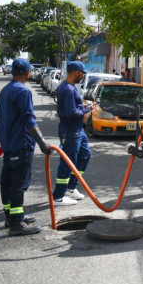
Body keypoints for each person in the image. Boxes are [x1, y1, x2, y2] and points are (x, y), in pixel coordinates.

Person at [0, 58, 52, 236]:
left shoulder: (5, 91)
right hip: (21, 145)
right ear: (28, 73)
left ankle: (11, 216)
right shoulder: (23, 92)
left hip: (9, 145)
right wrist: (43, 143)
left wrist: (6, 138)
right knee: (19, 184)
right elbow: (29, 120)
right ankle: (16, 224)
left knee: (8, 181)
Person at [52, 61, 97, 206]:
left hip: (78, 130)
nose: (83, 76)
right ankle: (58, 196)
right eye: (82, 73)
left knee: (85, 156)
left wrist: (84, 106)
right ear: (76, 72)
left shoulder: (68, 87)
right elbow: (72, 113)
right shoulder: (69, 89)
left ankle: (71, 188)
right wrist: (88, 109)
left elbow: (72, 108)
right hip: (70, 131)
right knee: (67, 163)